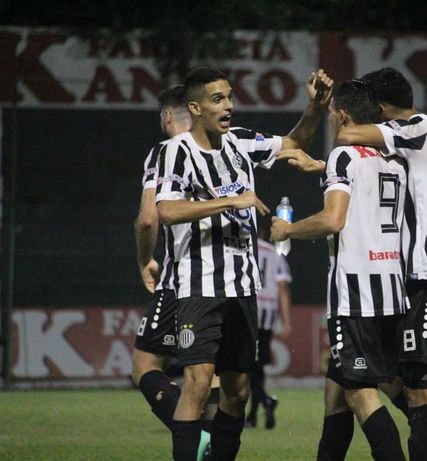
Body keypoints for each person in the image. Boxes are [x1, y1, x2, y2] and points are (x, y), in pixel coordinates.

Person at [155, 66, 333, 461]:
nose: (229, 105)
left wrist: (315, 107)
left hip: (244, 287)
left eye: (230, 97)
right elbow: (166, 210)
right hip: (198, 286)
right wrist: (231, 201)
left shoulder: (241, 144)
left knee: (238, 391)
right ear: (195, 107)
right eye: (218, 99)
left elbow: (293, 143)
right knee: (198, 383)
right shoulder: (176, 152)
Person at [337, 67, 427, 461]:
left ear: (380, 108)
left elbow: (349, 135)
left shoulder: (418, 127)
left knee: (419, 389)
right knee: (400, 381)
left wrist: (346, 119)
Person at [271, 79, 408, 461]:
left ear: (342, 116)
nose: (331, 120)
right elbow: (364, 196)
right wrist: (320, 167)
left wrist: (288, 229)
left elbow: (333, 220)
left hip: (357, 298)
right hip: (391, 291)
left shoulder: (342, 156)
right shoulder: (392, 158)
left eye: (332, 114)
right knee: (336, 397)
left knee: (361, 396)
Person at [132, 85, 218, 459]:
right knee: (210, 373)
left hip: (183, 276)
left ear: (168, 116)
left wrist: (144, 259)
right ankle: (215, 445)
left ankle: (194, 435)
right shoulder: (221, 147)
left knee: (145, 365)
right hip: (229, 279)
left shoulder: (165, 152)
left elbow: (149, 219)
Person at [245, 226, 293, 430]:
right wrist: (287, 320)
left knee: (246, 366)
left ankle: (264, 402)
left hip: (248, 311)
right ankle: (254, 414)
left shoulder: (243, 249)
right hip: (267, 315)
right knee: (258, 367)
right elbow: (282, 288)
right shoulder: (275, 253)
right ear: (263, 233)